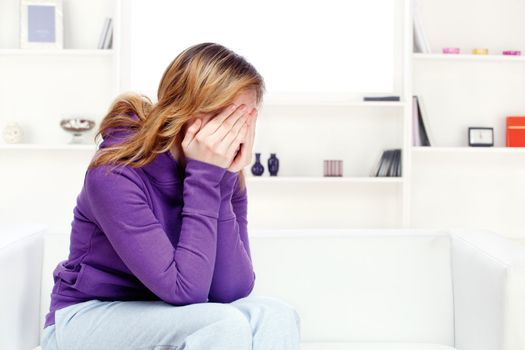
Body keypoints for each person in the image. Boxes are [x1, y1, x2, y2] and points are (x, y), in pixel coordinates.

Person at [41, 42, 301, 350]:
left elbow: (231, 289)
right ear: (189, 112)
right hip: (85, 317)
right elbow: (185, 290)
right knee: (222, 324)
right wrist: (205, 177)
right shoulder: (115, 173)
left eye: (246, 121)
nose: (237, 134)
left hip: (163, 314)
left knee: (277, 315)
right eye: (229, 120)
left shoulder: (224, 173)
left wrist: (220, 180)